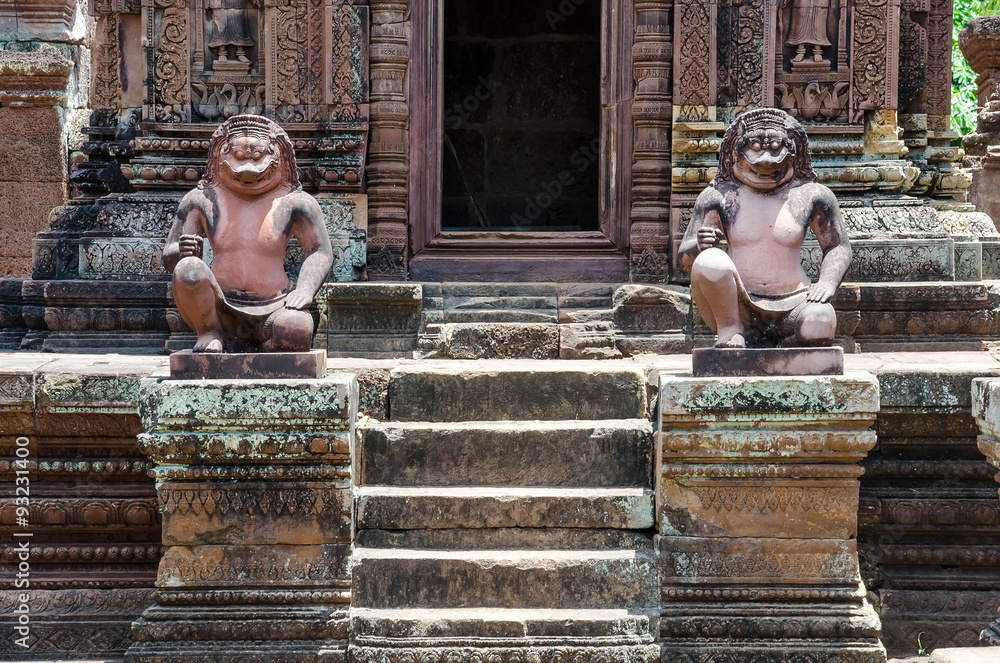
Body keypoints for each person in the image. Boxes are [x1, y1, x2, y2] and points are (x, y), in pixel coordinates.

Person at [678, 107, 851, 349]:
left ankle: (785, 348)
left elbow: (837, 246)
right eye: (756, 148)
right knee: (710, 262)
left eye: (776, 147)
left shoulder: (812, 195)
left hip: (796, 302)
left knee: (821, 322)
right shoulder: (718, 196)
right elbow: (685, 261)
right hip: (739, 306)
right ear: (734, 154)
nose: (767, 160)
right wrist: (699, 246)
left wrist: (826, 283)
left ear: (794, 151)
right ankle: (731, 333)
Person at [162, 115, 333, 353]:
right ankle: (211, 333)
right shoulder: (200, 200)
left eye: (258, 156)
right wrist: (181, 252)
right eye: (238, 157)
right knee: (187, 270)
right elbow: (170, 259)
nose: (247, 169)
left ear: (280, 155)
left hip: (275, 308)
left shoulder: (296, 203)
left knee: (297, 329)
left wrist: (305, 290)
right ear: (217, 154)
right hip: (218, 307)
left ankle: (259, 345)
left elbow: (319, 252)